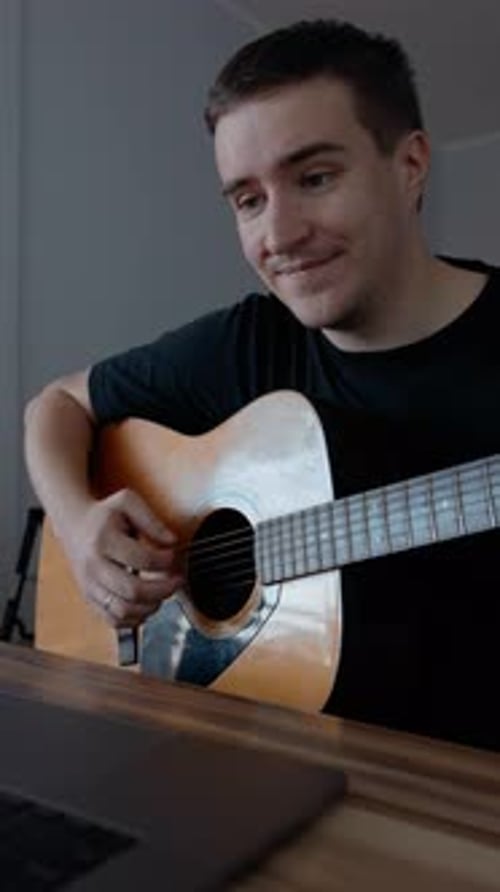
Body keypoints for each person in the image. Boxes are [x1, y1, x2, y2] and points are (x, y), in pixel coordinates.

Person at [25, 19, 500, 751]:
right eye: (247, 200)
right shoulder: (249, 342)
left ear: (409, 166)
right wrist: (80, 526)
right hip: (250, 769)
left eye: (314, 178)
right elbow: (54, 405)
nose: (278, 235)